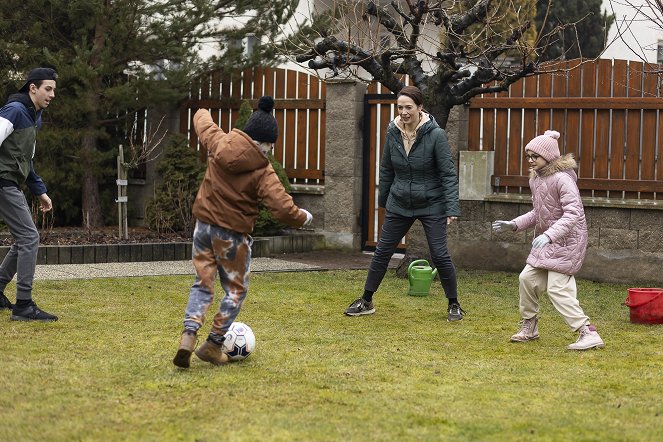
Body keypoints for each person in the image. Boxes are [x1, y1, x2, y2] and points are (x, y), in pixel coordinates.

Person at [173, 96, 313, 368]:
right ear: (266, 142)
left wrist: (202, 110)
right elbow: (282, 208)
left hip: (203, 227)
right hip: (232, 236)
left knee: (202, 283)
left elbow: (201, 119)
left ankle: (188, 336)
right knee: (235, 290)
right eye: (271, 144)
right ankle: (213, 344)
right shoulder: (262, 170)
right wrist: (303, 217)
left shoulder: (219, 141)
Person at [343, 85, 464, 321]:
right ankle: (366, 300)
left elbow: (448, 173)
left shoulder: (436, 135)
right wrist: (383, 201)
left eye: (409, 107)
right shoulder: (393, 132)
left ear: (420, 108)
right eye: (400, 107)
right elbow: (386, 168)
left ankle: (454, 304)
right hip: (400, 202)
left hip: (432, 202)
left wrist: (451, 207)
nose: (404, 112)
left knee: (439, 255)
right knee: (382, 252)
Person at [492, 130, 604, 350]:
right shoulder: (537, 179)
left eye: (536, 156)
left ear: (549, 156)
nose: (531, 160)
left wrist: (549, 235)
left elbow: (573, 213)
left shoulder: (562, 178)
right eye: (529, 156)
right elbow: (538, 213)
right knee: (527, 278)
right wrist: (514, 224)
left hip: (568, 241)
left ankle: (587, 332)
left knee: (557, 288)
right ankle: (530, 327)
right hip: (548, 241)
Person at [0, 67, 58, 321]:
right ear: (32, 88)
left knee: (24, 238)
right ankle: (23, 304)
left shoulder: (34, 116)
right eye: (48, 88)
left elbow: (26, 159)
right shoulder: (14, 111)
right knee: (29, 237)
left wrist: (40, 191)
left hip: (10, 182)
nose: (52, 94)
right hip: (2, 182)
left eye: (54, 90)